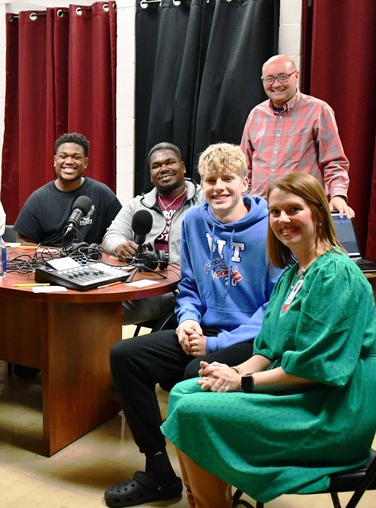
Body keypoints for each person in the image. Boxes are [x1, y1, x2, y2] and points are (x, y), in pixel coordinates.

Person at [161, 172, 376, 507]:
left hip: (330, 414)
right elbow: (267, 348)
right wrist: (229, 372)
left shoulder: (335, 275)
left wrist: (242, 381)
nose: (282, 219)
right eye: (275, 212)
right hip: (301, 393)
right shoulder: (294, 273)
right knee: (182, 393)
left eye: (294, 209)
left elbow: (314, 369)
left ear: (319, 212)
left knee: (194, 412)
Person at [104, 143, 281, 507]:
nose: (218, 187)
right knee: (126, 355)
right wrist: (187, 322)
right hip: (204, 330)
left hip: (253, 337)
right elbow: (189, 287)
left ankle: (208, 487)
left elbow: (274, 308)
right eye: (211, 179)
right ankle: (158, 471)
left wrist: (215, 346)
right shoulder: (196, 221)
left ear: (245, 182)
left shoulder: (270, 227)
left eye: (227, 179)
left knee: (191, 373)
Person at [101, 142, 203, 325]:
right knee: (98, 311)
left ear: (183, 167)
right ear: (150, 175)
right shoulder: (137, 204)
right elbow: (111, 234)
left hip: (189, 289)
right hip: (146, 288)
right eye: (156, 166)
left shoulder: (202, 201)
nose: (163, 169)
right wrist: (119, 246)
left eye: (169, 163)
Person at [241, 54, 354, 217]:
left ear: (296, 76)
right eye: (270, 79)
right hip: (260, 213)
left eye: (282, 77)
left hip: (301, 212)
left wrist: (338, 195)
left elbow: (334, 161)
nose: (276, 84)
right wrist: (246, 202)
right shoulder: (255, 114)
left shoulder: (318, 110)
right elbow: (245, 166)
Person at [14, 132, 122, 246]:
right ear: (55, 161)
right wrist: (49, 255)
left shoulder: (102, 194)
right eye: (63, 156)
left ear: (85, 162)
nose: (69, 161)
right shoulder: (38, 198)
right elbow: (23, 241)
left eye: (76, 157)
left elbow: (121, 232)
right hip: (49, 261)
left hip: (91, 261)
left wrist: (98, 251)